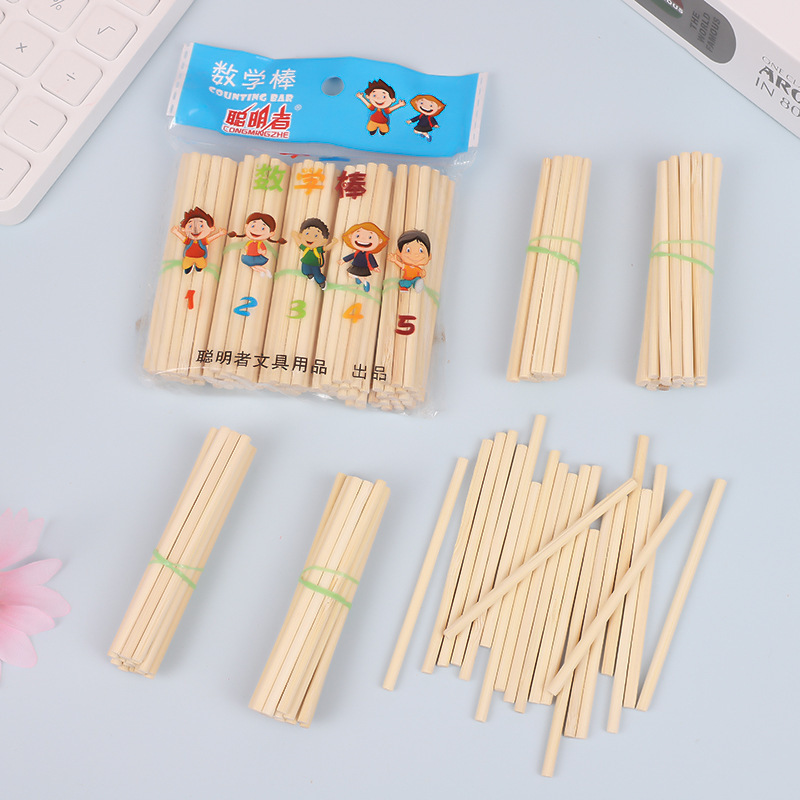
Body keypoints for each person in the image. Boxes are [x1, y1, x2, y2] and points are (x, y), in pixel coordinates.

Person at [227, 212, 285, 276]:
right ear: (246, 226)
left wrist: (261, 252)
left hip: (256, 257)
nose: (256, 230)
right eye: (253, 226)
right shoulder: (250, 242)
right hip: (249, 256)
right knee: (252, 266)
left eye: (262, 228)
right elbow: (247, 247)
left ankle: (265, 270)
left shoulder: (260, 243)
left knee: (253, 265)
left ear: (271, 233)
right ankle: (262, 271)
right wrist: (246, 248)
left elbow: (264, 251)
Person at [171, 207, 226, 274]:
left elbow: (210, 239)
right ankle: (188, 268)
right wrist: (176, 232)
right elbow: (182, 238)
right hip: (188, 257)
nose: (195, 230)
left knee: (202, 264)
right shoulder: (189, 240)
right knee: (186, 265)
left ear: (211, 229)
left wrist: (219, 234)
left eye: (201, 226)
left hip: (200, 257)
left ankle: (198, 267)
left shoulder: (203, 241)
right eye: (190, 226)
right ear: (184, 229)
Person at [339, 221, 389, 293]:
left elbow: (372, 260)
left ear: (380, 240)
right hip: (356, 266)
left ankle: (365, 282)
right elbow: (351, 256)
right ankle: (359, 279)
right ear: (350, 236)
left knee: (351, 274)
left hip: (363, 267)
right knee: (350, 275)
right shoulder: (357, 252)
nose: (362, 240)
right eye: (358, 236)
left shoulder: (368, 254)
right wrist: (343, 260)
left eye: (370, 237)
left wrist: (375, 267)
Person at [293, 217, 337, 289]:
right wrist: (295, 236)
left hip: (315, 265)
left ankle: (322, 282)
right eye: (307, 233)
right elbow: (299, 243)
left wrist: (333, 243)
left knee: (317, 275)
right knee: (304, 271)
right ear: (301, 235)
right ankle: (309, 275)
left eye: (316, 235)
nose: (310, 238)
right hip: (305, 262)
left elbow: (325, 248)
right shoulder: (305, 248)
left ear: (324, 240)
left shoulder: (318, 249)